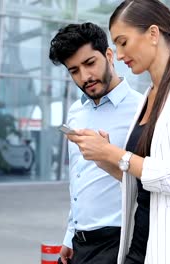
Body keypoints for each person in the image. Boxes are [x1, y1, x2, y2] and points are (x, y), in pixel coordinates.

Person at [67, 1, 170, 263]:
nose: (118, 54)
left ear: (153, 34)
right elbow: (142, 184)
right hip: (140, 244)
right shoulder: (149, 95)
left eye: (123, 42)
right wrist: (105, 160)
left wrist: (114, 153)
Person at [49, 22, 143, 264]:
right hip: (80, 242)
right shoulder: (75, 111)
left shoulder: (141, 110)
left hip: (119, 240)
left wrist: (109, 154)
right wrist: (70, 236)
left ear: (109, 55)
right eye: (74, 70)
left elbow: (149, 179)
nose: (85, 77)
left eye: (90, 63)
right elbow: (79, 179)